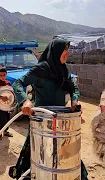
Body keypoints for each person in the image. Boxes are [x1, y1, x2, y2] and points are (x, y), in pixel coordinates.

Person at [9, 39, 88, 179]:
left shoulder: (63, 71)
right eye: (65, 50)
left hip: (62, 124)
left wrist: (74, 99)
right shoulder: (40, 69)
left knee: (66, 159)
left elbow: (73, 87)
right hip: (41, 122)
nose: (68, 53)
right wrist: (25, 100)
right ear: (56, 51)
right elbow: (18, 83)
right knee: (39, 159)